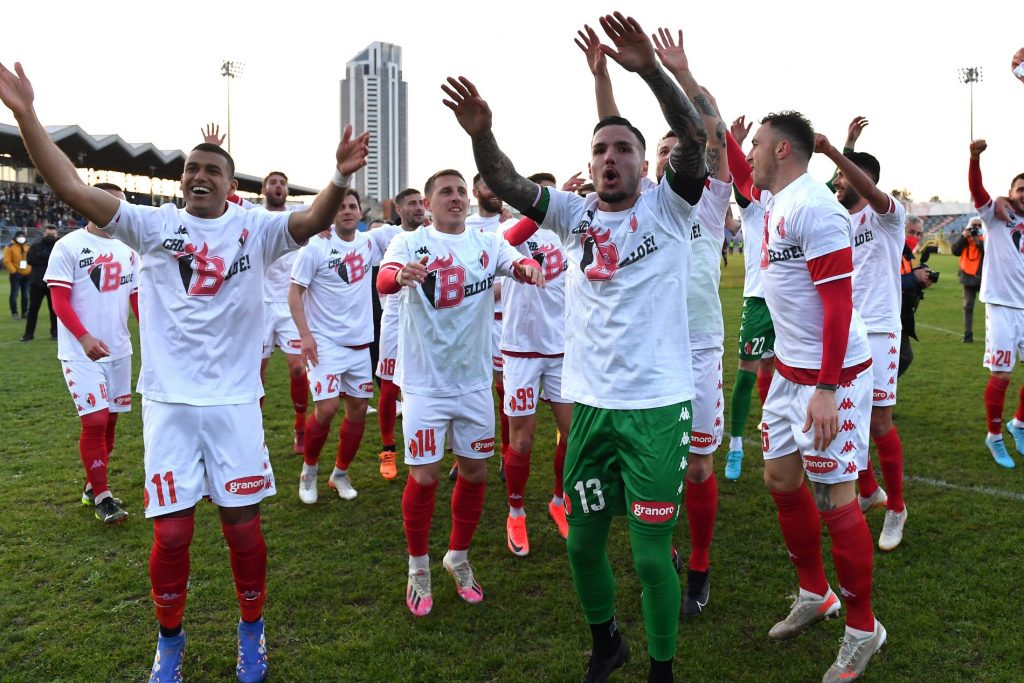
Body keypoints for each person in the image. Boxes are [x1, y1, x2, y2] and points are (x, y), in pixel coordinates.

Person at [0, 60, 370, 683]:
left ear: (229, 184)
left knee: (242, 529)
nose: (200, 175)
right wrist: (27, 115)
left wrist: (337, 176)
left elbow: (310, 222)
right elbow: (72, 188)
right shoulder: (152, 226)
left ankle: (251, 633)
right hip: (169, 404)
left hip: (234, 404)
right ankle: (169, 643)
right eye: (192, 168)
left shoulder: (255, 230)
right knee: (171, 536)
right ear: (182, 181)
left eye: (212, 170)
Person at [445, 12, 708, 682]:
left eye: (623, 149)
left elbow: (696, 137)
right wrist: (482, 135)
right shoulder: (572, 214)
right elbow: (506, 181)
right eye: (600, 150)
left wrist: (650, 69)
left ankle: (662, 669)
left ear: (644, 164)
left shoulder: (670, 206)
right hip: (589, 406)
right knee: (583, 546)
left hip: (656, 408)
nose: (610, 157)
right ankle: (607, 643)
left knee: (650, 556)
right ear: (589, 166)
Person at [747, 111, 885, 682]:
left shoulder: (816, 208)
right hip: (789, 370)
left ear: (782, 150)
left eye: (756, 143)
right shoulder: (777, 202)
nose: (749, 153)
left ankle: (863, 628)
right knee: (781, 479)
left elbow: (837, 306)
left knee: (834, 501)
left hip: (834, 378)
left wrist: (826, 389)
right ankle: (815, 593)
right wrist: (685, 80)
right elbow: (727, 161)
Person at [376, 169, 543, 618]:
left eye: (460, 191)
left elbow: (515, 261)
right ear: (428, 203)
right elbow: (384, 279)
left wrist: (526, 268)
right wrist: (399, 276)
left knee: (475, 473)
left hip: (473, 383)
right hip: (425, 385)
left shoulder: (486, 243)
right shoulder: (410, 242)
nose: (455, 197)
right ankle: (418, 567)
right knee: (425, 477)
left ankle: (459, 557)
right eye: (445, 191)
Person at [816, 134, 910, 552]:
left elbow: (869, 191)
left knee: (880, 422)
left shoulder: (887, 215)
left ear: (861, 177)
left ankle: (897, 508)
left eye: (842, 175)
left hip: (880, 329)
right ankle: (870, 490)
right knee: (850, 416)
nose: (837, 181)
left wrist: (835, 150)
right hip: (847, 331)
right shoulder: (839, 221)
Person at [45, 183, 137, 525]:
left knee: (110, 421)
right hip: (80, 352)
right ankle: (103, 497)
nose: (113, 210)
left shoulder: (130, 249)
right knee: (95, 421)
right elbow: (59, 300)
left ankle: (91, 486)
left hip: (119, 350)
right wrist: (83, 338)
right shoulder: (68, 246)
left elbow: (137, 297)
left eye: (119, 205)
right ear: (89, 205)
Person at [291, 189, 385, 503]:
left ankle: (340, 474)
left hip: (360, 345)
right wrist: (305, 335)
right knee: (327, 408)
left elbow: (410, 230)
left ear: (360, 213)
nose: (346, 211)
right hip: (325, 344)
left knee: (357, 411)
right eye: (340, 206)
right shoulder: (315, 246)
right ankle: (309, 472)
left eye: (352, 206)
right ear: (332, 213)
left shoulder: (370, 242)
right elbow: (294, 293)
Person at [497, 173, 573, 553]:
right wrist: (543, 207)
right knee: (522, 441)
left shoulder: (567, 232)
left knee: (573, 436)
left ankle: (559, 500)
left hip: (561, 349)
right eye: (540, 195)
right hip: (521, 351)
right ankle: (516, 512)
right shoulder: (508, 231)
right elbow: (511, 241)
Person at [723, 116, 777, 481]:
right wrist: (735, 140)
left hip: (792, 301)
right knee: (748, 370)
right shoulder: (753, 199)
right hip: (758, 300)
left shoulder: (795, 195)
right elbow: (739, 173)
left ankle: (780, 430)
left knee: (789, 370)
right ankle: (737, 445)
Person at [967, 139, 1024, 468]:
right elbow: (978, 191)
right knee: (1002, 374)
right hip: (1001, 306)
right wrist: (974, 159)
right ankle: (995, 436)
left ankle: (1019, 424)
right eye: (1020, 189)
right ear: (1011, 192)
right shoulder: (996, 215)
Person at [256, 171, 311, 455]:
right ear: (264, 188)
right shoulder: (254, 216)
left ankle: (300, 427)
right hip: (259, 305)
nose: (278, 186)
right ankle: (254, 431)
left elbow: (324, 216)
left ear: (287, 190)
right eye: (273, 182)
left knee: (298, 369)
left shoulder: (297, 217)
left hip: (290, 303)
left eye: (282, 183)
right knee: (256, 374)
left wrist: (324, 227)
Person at [375, 188, 425, 479]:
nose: (418, 208)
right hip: (395, 318)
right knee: (389, 386)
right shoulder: (386, 235)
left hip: (427, 320)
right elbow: (351, 238)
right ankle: (388, 450)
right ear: (399, 209)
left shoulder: (434, 233)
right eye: (412, 204)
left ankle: (449, 447)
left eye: (421, 203)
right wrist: (325, 230)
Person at [897, 215, 934, 377]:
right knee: (904, 356)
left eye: (919, 234)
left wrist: (920, 283)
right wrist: (914, 277)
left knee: (904, 356)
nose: (915, 237)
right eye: (911, 232)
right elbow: (886, 282)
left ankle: (879, 389)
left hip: (900, 313)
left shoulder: (906, 254)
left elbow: (904, 281)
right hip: (887, 313)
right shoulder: (892, 250)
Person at [21, 223, 58, 341]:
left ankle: (55, 333)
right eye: (48, 233)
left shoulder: (60, 246)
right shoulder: (35, 246)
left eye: (53, 234)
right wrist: (48, 258)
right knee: (32, 310)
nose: (50, 236)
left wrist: (42, 256)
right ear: (43, 233)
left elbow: (61, 261)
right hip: (37, 283)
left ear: (56, 234)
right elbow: (30, 260)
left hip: (53, 284)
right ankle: (28, 334)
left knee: (55, 310)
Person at [950, 217, 984, 343]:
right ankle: (968, 335)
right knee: (968, 307)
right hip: (967, 278)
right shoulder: (965, 240)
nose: (976, 228)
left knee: (990, 308)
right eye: (974, 225)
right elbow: (955, 251)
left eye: (979, 225)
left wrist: (977, 241)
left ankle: (992, 334)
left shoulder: (986, 238)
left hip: (983, 278)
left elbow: (989, 252)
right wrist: (963, 237)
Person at [4, 229, 29, 318]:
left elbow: (30, 260)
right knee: (14, 294)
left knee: (25, 295)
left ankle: (24, 312)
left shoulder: (28, 246)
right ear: (15, 237)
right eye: (19, 236)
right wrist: (14, 272)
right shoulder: (10, 247)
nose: (21, 238)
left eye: (22, 236)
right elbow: (7, 261)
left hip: (27, 274)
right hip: (15, 275)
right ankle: (14, 313)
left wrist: (30, 271)